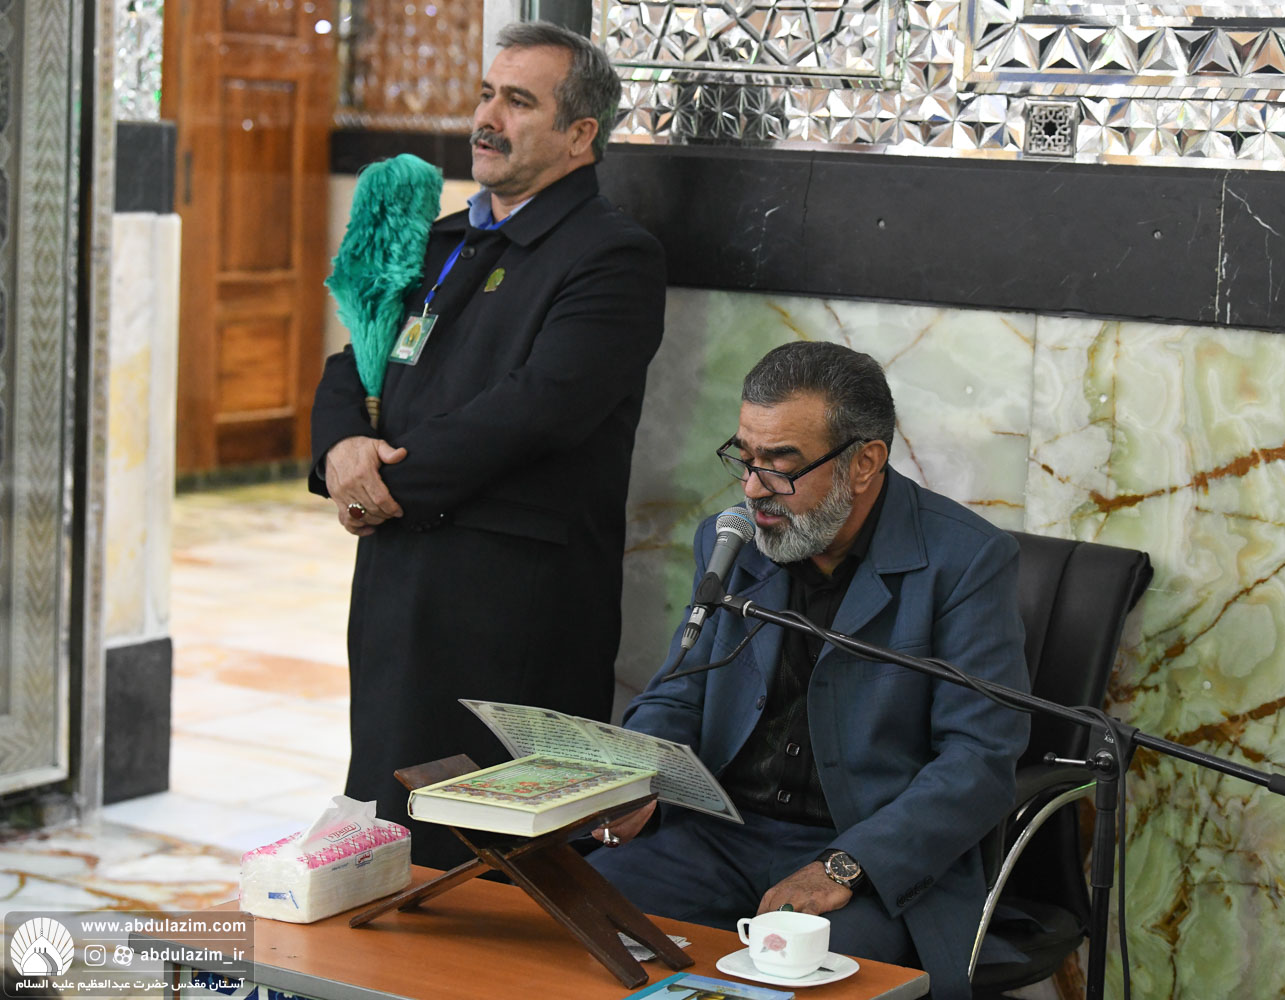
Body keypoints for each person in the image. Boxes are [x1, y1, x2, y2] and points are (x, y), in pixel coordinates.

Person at [309, 21, 666, 870]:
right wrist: (344, 451)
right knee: (388, 816)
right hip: (399, 574)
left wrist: (387, 485)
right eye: (484, 95)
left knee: (488, 851)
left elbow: (539, 410)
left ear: (580, 134)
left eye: (518, 102)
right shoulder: (442, 241)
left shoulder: (613, 257)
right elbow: (354, 359)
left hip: (513, 600)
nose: (487, 118)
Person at [589, 342, 1031, 1000]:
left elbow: (980, 757)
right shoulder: (731, 541)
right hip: (718, 835)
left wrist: (846, 865)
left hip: (864, 855)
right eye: (745, 457)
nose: (751, 488)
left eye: (781, 466)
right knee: (579, 927)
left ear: (864, 463)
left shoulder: (964, 561)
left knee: (806, 983)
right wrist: (639, 776)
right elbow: (678, 692)